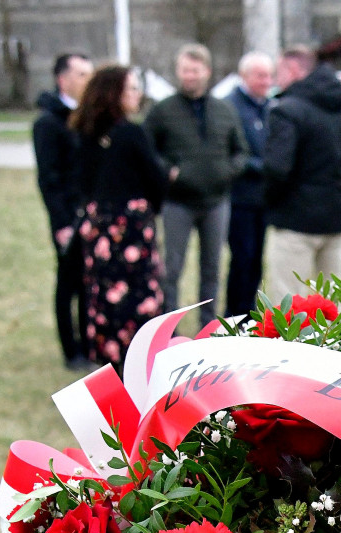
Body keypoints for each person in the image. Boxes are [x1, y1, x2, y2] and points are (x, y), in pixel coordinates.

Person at [143, 43, 249, 329]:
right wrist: (168, 171)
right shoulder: (162, 111)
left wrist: (228, 170)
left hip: (217, 202)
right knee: (172, 269)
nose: (190, 76)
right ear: (178, 73)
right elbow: (146, 151)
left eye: (195, 70)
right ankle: (168, 328)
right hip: (177, 202)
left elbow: (241, 151)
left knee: (212, 268)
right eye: (185, 70)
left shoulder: (224, 110)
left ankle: (208, 326)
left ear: (207, 72)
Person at [70, 65, 167, 369]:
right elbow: (156, 179)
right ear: (115, 94)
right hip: (130, 228)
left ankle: (107, 359)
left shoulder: (83, 133)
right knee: (138, 295)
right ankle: (139, 362)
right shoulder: (131, 133)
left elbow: (81, 182)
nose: (137, 95)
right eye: (132, 89)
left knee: (102, 294)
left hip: (98, 226)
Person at [263, 46, 341, 300]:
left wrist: (273, 201)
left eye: (279, 71)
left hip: (293, 219)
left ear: (293, 69)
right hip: (335, 215)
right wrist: (340, 184)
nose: (276, 79)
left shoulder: (286, 110)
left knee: (286, 305)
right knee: (334, 304)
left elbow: (277, 168)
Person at [32, 52, 94, 371]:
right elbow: (49, 179)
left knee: (88, 283)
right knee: (68, 282)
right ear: (63, 80)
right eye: (82, 74)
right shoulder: (48, 123)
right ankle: (71, 350)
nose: (88, 80)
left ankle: (88, 343)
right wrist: (61, 223)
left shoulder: (87, 118)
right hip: (67, 218)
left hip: (91, 214)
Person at [224, 51, 274, 317]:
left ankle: (250, 312)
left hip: (264, 199)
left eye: (269, 75)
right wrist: (262, 166)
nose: (267, 81)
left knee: (256, 262)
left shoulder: (270, 106)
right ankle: (235, 313)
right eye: (260, 75)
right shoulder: (230, 107)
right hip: (239, 198)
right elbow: (232, 152)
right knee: (242, 259)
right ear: (244, 76)